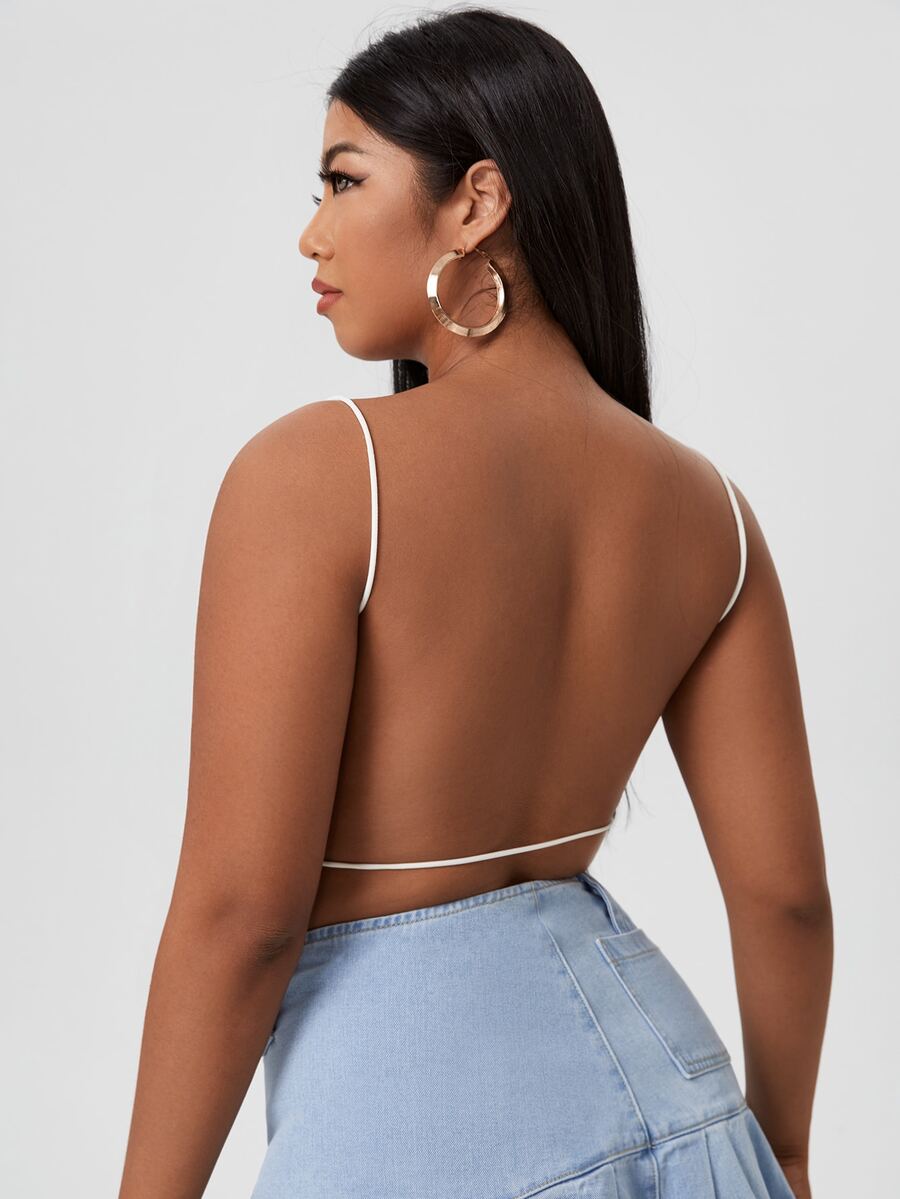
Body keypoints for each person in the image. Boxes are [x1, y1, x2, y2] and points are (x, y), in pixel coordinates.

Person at [117, 8, 832, 1199]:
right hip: (695, 1124)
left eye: (344, 180)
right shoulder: (710, 512)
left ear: (477, 202)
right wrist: (790, 1146)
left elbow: (243, 916)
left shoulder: (321, 473)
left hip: (417, 1137)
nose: (311, 231)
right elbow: (788, 898)